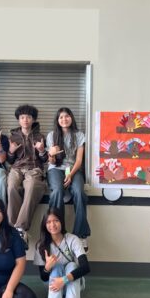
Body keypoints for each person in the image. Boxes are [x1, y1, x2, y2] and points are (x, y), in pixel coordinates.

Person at [34, 208, 90, 298]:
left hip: (73, 283)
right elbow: (43, 277)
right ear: (44, 225)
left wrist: (64, 280)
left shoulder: (73, 239)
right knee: (56, 267)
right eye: (48, 222)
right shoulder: (41, 245)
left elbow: (86, 267)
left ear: (62, 222)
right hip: (53, 284)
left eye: (56, 220)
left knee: (72, 265)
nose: (52, 225)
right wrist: (47, 267)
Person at [46, 107, 91, 252]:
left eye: (67, 116)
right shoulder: (52, 135)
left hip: (73, 169)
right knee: (57, 191)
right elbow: (52, 162)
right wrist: (51, 155)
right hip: (56, 169)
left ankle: (81, 235)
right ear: (57, 120)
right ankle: (56, 232)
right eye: (61, 117)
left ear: (71, 118)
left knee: (79, 192)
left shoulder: (79, 135)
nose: (64, 119)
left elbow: (79, 160)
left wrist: (70, 174)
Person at [7, 104, 48, 249]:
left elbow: (45, 160)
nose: (25, 120)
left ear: (33, 119)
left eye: (28, 117)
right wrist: (11, 152)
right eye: (22, 117)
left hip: (34, 169)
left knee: (31, 186)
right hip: (16, 168)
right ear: (18, 120)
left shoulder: (40, 137)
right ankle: (12, 229)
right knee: (12, 187)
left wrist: (42, 151)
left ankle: (21, 228)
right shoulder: (12, 137)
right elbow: (9, 160)